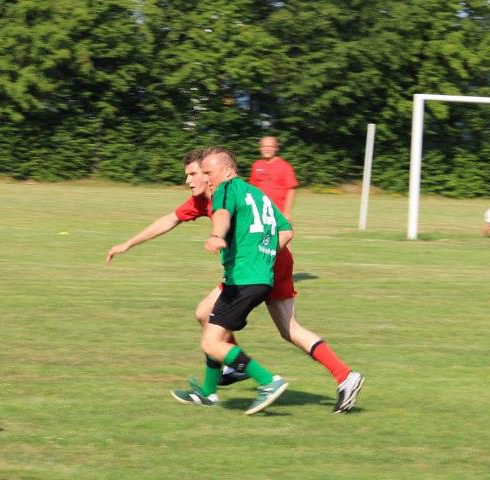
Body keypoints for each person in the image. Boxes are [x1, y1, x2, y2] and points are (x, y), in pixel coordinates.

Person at [107, 149, 363, 413]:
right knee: (261, 324)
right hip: (269, 263)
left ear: (211, 174)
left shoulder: (224, 192)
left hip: (257, 268)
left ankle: (239, 373)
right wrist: (128, 244)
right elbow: (170, 219)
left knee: (212, 330)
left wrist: (252, 250)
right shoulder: (209, 198)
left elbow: (228, 220)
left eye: (197, 173)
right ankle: (344, 375)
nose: (190, 180)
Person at [171, 147, 293, 415]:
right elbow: (286, 230)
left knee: (211, 343)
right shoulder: (257, 193)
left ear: (226, 171)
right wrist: (264, 255)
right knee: (205, 313)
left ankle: (268, 381)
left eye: (208, 172)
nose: (205, 178)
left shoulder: (225, 189)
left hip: (243, 279)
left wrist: (217, 235)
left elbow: (222, 215)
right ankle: (208, 392)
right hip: (258, 277)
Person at [250, 136, 364, 414]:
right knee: (289, 329)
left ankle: (227, 374)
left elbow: (290, 189)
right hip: (270, 250)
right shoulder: (255, 169)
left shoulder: (282, 167)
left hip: (267, 249)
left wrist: (285, 216)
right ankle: (345, 375)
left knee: (212, 316)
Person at [250, 136, 298, 220]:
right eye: (264, 146)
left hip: (278, 214)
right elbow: (252, 189)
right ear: (260, 148)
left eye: (271, 146)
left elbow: (291, 189)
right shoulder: (256, 165)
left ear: (276, 148)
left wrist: (287, 213)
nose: (267, 149)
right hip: (260, 213)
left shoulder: (284, 166)